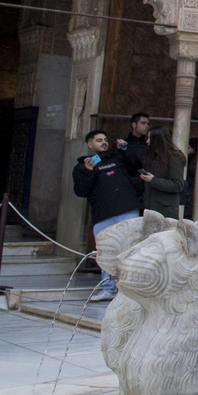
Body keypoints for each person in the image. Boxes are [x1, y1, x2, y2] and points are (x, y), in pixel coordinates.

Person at [73, 129, 145, 302]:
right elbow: (81, 191)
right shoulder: (82, 167)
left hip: (127, 209)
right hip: (103, 215)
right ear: (90, 144)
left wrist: (126, 150)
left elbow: (136, 168)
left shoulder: (118, 157)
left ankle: (129, 290)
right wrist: (89, 171)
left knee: (129, 249)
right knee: (106, 253)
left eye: (105, 139)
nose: (103, 142)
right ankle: (109, 289)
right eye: (98, 140)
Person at [139, 125, 188, 220]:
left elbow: (177, 184)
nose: (147, 141)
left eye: (150, 138)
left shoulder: (174, 158)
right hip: (150, 208)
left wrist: (153, 180)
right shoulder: (153, 157)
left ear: (157, 140)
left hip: (165, 211)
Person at [120, 112, 151, 190]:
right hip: (127, 185)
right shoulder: (123, 144)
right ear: (134, 125)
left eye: (148, 124)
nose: (146, 126)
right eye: (143, 123)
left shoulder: (148, 144)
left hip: (145, 185)